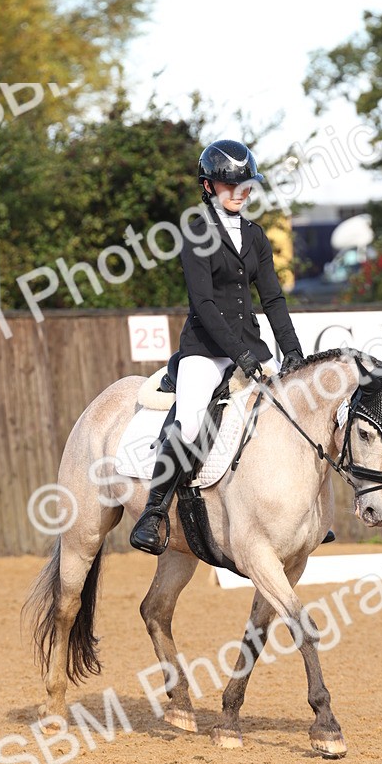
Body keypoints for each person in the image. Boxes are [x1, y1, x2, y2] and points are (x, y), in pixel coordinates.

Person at [129, 138, 307, 555]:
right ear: (209, 186)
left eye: (246, 184)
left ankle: (298, 517)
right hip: (205, 350)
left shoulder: (255, 236)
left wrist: (292, 351)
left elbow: (273, 299)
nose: (241, 192)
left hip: (251, 348)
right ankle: (154, 511)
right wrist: (239, 354)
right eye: (231, 185)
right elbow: (204, 305)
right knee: (191, 422)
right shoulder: (196, 233)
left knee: (291, 416)